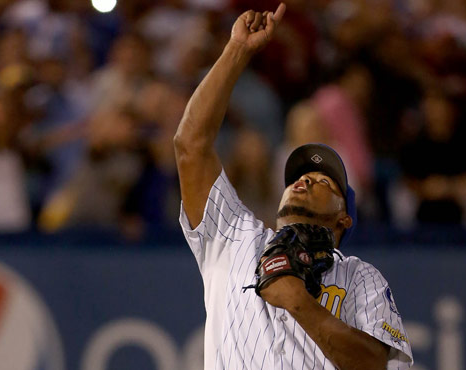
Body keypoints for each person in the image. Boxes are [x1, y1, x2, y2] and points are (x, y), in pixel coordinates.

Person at [174, 4, 413, 369]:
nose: (303, 180)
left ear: (344, 218)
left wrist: (298, 301)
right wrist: (237, 51)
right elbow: (190, 145)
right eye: (298, 177)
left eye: (322, 181)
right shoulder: (234, 237)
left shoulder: (359, 277)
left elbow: (378, 366)